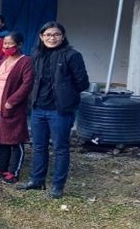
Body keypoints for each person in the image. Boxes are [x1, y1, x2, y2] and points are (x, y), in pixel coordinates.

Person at [18, 22, 89, 199]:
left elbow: (83, 83)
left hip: (60, 111)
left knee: (60, 148)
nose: (52, 38)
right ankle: (37, 180)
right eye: (48, 35)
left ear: (63, 36)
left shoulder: (72, 55)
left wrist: (66, 93)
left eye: (56, 34)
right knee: (38, 146)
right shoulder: (36, 55)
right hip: (38, 109)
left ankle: (57, 186)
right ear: (41, 37)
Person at [0, 32, 33, 184]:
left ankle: (13, 172)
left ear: (19, 45)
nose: (6, 46)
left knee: (15, 140)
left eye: (10, 44)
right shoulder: (3, 60)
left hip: (13, 108)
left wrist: (12, 101)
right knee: (2, 138)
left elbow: (27, 84)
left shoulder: (25, 61)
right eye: (4, 43)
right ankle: (2, 168)